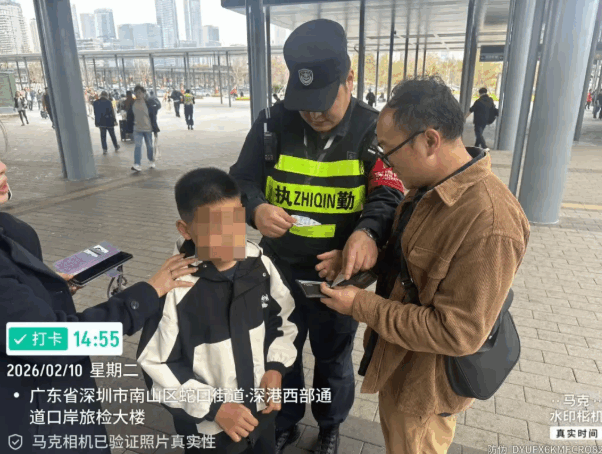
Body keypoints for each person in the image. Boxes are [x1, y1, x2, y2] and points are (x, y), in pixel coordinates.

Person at [317, 76, 530, 454]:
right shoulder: (428, 188)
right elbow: (407, 264)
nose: (384, 162)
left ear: (430, 140)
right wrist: (361, 264)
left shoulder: (491, 222)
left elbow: (458, 333)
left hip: (425, 393)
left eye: (389, 150)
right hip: (398, 366)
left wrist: (360, 305)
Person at [229, 19, 405, 454]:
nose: (313, 114)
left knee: (333, 359)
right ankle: (286, 420)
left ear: (349, 79)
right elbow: (242, 178)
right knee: (279, 352)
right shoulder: (272, 121)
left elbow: (388, 193)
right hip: (277, 271)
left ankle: (329, 425)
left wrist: (364, 235)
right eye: (305, 104)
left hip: (336, 277)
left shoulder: (373, 130)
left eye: (323, 103)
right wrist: (256, 208)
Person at [0, 159, 198, 454]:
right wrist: (147, 293)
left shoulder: (11, 230)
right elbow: (55, 343)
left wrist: (47, 288)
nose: (2, 166)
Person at [137, 167, 298, 454]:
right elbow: (156, 365)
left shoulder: (260, 266)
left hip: (261, 415)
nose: (230, 237)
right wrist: (215, 407)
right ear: (186, 229)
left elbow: (283, 319)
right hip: (210, 432)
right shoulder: (175, 289)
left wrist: (275, 367)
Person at [126, 84, 160, 172]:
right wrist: (128, 130)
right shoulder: (132, 104)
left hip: (148, 129)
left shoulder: (148, 104)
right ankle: (137, 164)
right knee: (138, 146)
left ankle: (151, 161)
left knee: (149, 146)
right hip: (137, 129)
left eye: (139, 92)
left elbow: (153, 117)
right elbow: (129, 117)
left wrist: (155, 129)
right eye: (136, 92)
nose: (137, 94)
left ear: (143, 93)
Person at [465, 87, 496, 152]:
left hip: (478, 120)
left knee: (478, 133)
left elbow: (471, 110)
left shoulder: (478, 101)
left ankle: (484, 147)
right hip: (486, 120)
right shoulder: (490, 100)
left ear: (480, 93)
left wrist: (464, 118)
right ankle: (476, 146)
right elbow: (493, 109)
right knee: (480, 133)